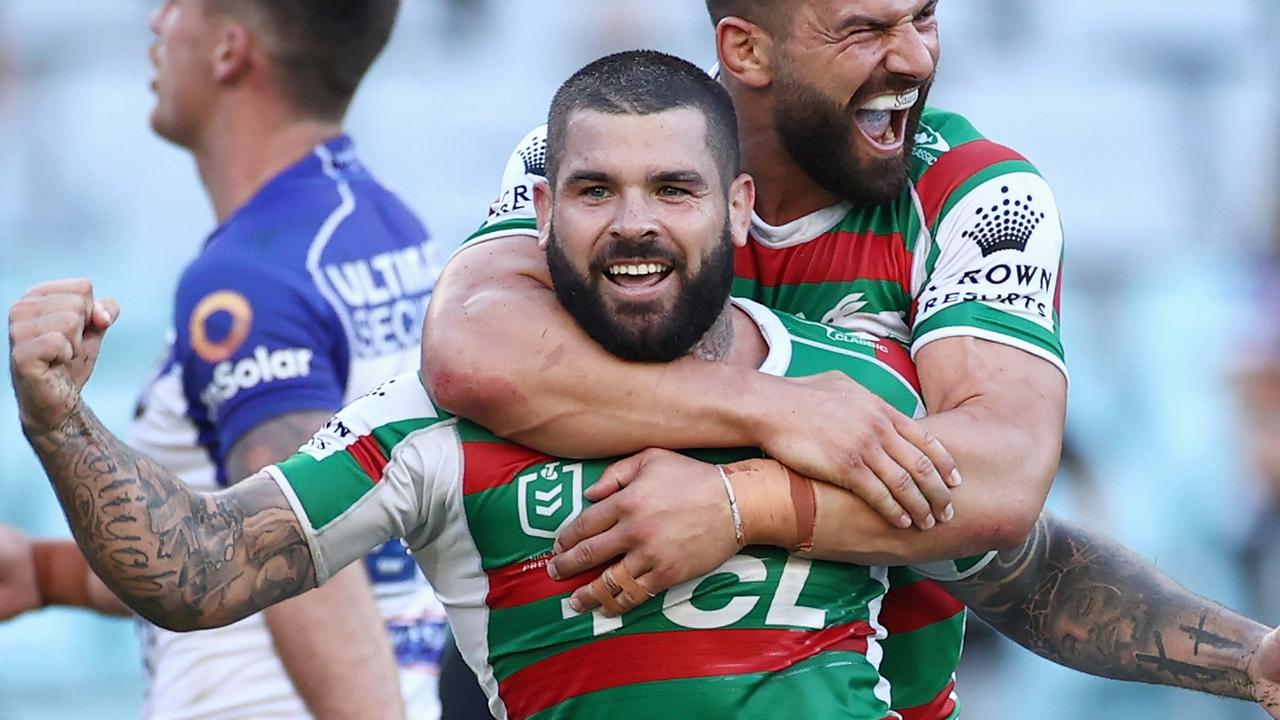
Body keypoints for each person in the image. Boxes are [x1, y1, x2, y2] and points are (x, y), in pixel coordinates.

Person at [10, 49, 1280, 720]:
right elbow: (198, 569)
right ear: (532, 212)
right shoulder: (434, 418)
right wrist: (60, 420)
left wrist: (1255, 661)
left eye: (671, 191)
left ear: (733, 204)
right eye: (592, 191)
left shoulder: (861, 391)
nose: (633, 226)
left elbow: (1032, 571)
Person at [421, 1, 1064, 716]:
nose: (913, 57)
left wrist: (743, 504)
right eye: (865, 30)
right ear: (747, 51)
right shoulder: (605, 146)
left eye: (923, 17)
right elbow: (469, 348)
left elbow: (1003, 473)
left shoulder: (975, 192)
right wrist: (781, 408)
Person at [0, 1, 447, 718]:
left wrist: (55, 418)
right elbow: (220, 538)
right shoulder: (386, 226)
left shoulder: (246, 282)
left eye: (178, 4)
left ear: (228, 51)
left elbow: (298, 547)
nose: (156, 22)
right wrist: (46, 573)